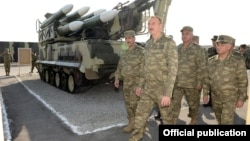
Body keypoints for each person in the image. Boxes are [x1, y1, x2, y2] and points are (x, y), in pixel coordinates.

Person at [129, 16, 178, 141]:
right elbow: (144, 67)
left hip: (162, 90)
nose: (150, 26)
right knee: (140, 115)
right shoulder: (148, 44)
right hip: (148, 88)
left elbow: (173, 69)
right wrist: (140, 85)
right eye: (149, 23)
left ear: (160, 26)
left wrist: (168, 93)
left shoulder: (168, 43)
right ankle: (135, 138)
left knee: (167, 119)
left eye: (153, 23)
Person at [203, 35, 248, 124]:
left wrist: (241, 98)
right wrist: (205, 93)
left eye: (222, 44)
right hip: (215, 97)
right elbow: (206, 79)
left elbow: (243, 81)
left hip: (230, 98)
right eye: (217, 44)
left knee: (226, 122)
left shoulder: (237, 61)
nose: (218, 46)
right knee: (219, 120)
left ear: (229, 46)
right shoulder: (211, 61)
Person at [170, 26, 208, 125]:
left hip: (192, 84)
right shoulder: (177, 48)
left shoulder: (198, 49)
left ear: (192, 35)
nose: (184, 36)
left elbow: (202, 67)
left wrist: (200, 82)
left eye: (187, 34)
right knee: (174, 103)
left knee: (193, 104)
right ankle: (173, 120)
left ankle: (194, 118)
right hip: (178, 83)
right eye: (183, 34)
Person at [114, 30, 144, 132]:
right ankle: (131, 123)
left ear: (134, 38)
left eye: (130, 38)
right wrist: (117, 78)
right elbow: (119, 66)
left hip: (136, 83)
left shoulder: (141, 51)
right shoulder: (124, 52)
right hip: (126, 83)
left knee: (136, 104)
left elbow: (144, 70)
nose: (128, 40)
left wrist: (141, 85)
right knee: (128, 104)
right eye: (126, 38)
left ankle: (140, 125)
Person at [203, 35, 218, 107]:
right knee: (210, 88)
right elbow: (206, 59)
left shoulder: (223, 50)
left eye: (215, 41)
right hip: (211, 72)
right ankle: (210, 102)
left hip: (220, 73)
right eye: (212, 41)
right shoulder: (210, 50)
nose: (213, 42)